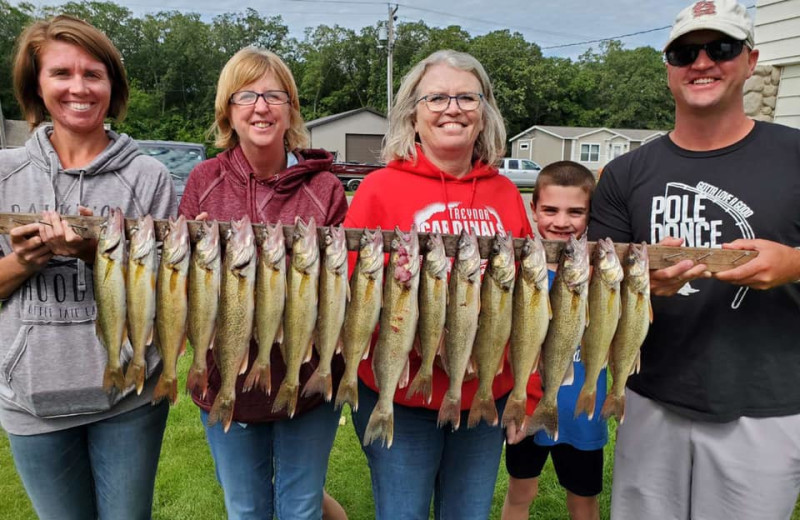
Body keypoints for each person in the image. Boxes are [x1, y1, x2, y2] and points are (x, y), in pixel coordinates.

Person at [588, 1, 800, 518]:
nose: (701, 62)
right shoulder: (624, 173)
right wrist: (636, 286)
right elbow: (596, 285)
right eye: (684, 52)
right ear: (667, 70)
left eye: (720, 48)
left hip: (765, 405)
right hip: (649, 395)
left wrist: (796, 264)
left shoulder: (794, 154)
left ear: (750, 61)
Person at [344, 49, 536, 520]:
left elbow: (532, 301)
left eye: (466, 97)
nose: (452, 108)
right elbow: (352, 291)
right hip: (402, 396)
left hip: (484, 397)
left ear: (484, 112)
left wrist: (527, 392)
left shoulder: (506, 193)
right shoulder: (378, 189)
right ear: (412, 112)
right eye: (436, 98)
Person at [0, 15, 176, 520]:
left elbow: (170, 293)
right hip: (30, 400)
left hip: (129, 399)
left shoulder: (148, 177)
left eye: (93, 74)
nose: (79, 88)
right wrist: (24, 261)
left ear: (112, 85)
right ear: (36, 84)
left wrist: (97, 255)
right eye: (61, 73)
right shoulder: (6, 172)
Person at [178, 46, 348, 520]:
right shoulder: (204, 180)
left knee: (300, 507)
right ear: (227, 110)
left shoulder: (325, 188)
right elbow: (181, 284)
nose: (261, 106)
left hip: (308, 374)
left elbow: (339, 287)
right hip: (226, 377)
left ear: (291, 108)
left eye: (274, 95)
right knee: (246, 508)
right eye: (246, 94)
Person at [503, 161, 606, 520]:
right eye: (550, 209)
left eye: (575, 212)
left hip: (582, 411)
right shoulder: (520, 271)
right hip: (526, 404)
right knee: (520, 492)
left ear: (590, 213)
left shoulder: (602, 272)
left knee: (583, 501)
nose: (562, 221)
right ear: (533, 209)